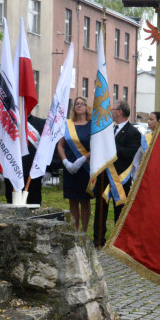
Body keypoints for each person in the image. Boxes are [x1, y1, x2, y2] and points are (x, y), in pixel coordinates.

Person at [95, 101, 142, 246]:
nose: (110, 112)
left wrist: (111, 144)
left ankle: (118, 242)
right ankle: (98, 239)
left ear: (120, 111)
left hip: (120, 177)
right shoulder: (110, 129)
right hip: (104, 175)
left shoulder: (133, 133)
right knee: (100, 208)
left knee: (120, 209)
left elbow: (129, 153)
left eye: (113, 109)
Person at [58, 96, 93, 232]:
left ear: (87, 107)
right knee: (72, 200)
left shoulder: (92, 125)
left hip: (85, 168)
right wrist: (65, 161)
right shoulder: (67, 124)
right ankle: (74, 230)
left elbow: (96, 146)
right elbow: (60, 145)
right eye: (77, 104)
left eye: (82, 104)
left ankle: (83, 231)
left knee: (84, 201)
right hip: (70, 168)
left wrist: (83, 159)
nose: (79, 106)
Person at [5, 113, 47, 205]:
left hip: (33, 172)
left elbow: (46, 147)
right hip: (12, 169)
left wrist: (48, 168)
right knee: (12, 203)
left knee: (34, 204)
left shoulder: (40, 123)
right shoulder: (8, 122)